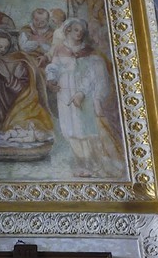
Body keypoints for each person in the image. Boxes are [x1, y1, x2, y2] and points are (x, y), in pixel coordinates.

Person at [45, 19, 122, 172]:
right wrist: (51, 79)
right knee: (69, 128)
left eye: (81, 31)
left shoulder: (88, 51)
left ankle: (90, 161)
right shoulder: (59, 49)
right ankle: (79, 161)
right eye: (75, 30)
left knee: (85, 128)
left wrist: (82, 92)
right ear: (67, 31)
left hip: (83, 92)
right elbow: (53, 67)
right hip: (64, 91)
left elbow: (92, 74)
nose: (79, 33)